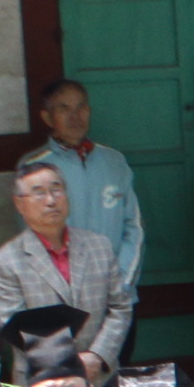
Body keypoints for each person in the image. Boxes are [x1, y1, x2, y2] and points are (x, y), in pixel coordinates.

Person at [17, 80, 144, 330]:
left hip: (117, 300)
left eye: (81, 108)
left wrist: (119, 284)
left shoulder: (114, 162)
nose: (75, 116)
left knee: (118, 367)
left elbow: (134, 227)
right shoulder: (34, 168)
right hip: (65, 306)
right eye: (64, 109)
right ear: (48, 117)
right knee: (71, 369)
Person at [0, 159, 129, 367]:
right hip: (41, 381)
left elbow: (120, 306)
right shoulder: (5, 262)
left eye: (57, 190)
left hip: (99, 377)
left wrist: (97, 355)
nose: (51, 200)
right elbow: (14, 325)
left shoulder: (99, 246)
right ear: (20, 204)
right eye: (39, 193)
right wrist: (71, 366)